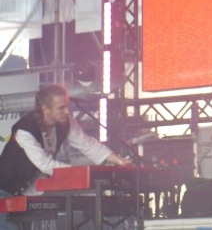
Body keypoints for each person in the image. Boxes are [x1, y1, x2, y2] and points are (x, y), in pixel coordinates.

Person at [0, 84, 133, 229]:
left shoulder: (65, 122)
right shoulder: (25, 131)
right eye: (61, 108)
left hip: (28, 193)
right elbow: (46, 165)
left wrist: (118, 160)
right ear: (45, 109)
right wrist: (79, 173)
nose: (66, 111)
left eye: (67, 106)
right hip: (5, 190)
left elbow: (86, 143)